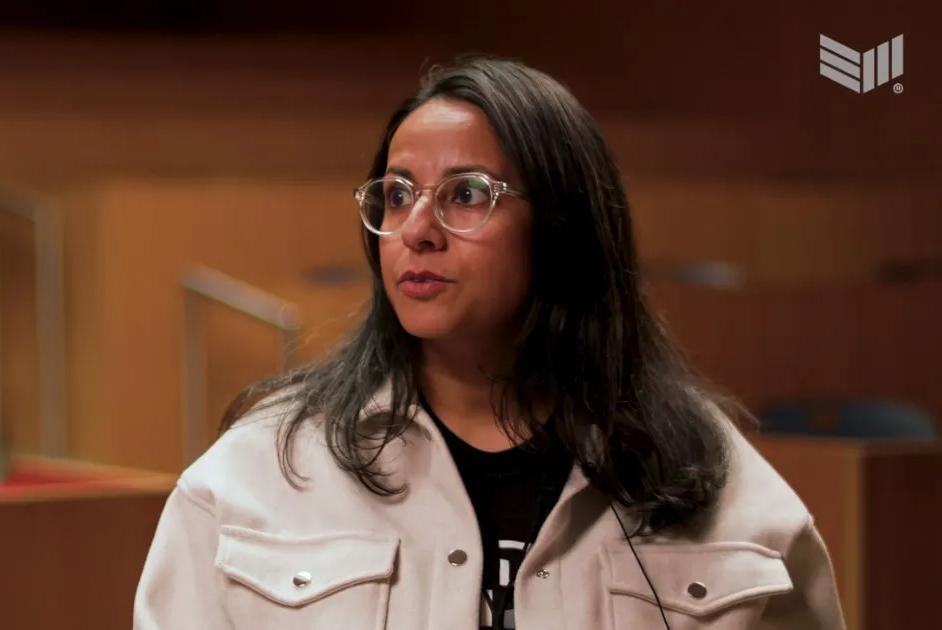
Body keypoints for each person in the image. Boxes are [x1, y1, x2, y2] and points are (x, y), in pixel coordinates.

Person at [133, 56, 846, 629]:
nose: (417, 230)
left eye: (467, 194)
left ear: (562, 225)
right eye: (397, 194)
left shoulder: (718, 481)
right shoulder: (260, 471)